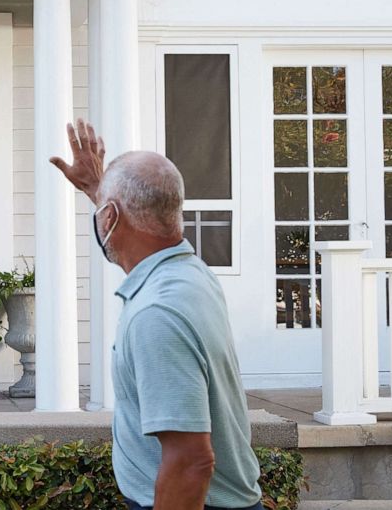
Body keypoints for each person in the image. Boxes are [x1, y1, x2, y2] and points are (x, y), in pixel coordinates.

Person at [50, 120, 263, 510]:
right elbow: (137, 230)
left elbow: (191, 462)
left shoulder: (157, 315)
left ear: (110, 218)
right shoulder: (190, 274)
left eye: (104, 213)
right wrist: (101, 193)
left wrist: (109, 203)